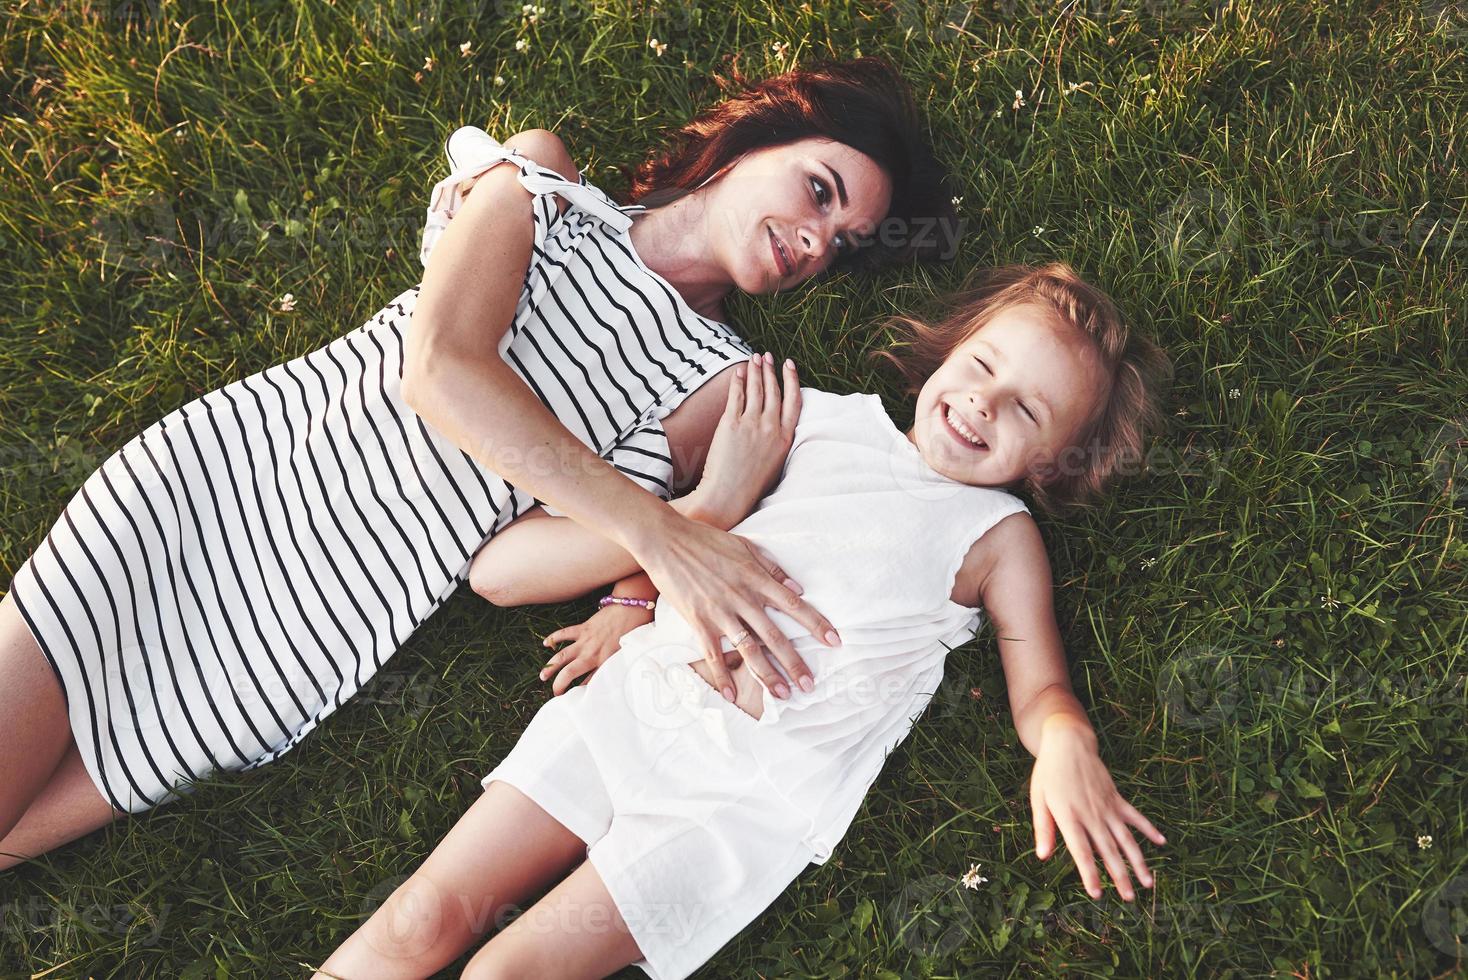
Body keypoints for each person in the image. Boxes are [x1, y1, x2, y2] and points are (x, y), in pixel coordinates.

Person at [0, 57, 955, 867]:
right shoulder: (550, 187)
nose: (815, 241)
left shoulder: (721, 387)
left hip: (310, 633)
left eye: (843, 244)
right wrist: (662, 535)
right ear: (756, 141)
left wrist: (710, 506)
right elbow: (443, 370)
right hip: (213, 487)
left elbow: (498, 570)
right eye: (819, 192)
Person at [315, 263, 1174, 980]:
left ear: (1054, 463)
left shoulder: (998, 537)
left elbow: (1042, 681)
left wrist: (1066, 744)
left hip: (743, 801)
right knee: (420, 920)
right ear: (949, 350)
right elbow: (690, 527)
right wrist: (629, 600)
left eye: (1027, 410)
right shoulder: (815, 421)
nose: (987, 403)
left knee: (505, 974)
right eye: (985, 366)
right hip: (633, 704)